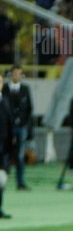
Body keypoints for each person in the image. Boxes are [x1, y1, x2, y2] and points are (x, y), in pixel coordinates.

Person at [3, 65, 33, 190]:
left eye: (19, 74)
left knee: (20, 155)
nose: (17, 76)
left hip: (21, 127)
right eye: (15, 73)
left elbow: (29, 109)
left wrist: (24, 124)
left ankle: (20, 182)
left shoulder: (25, 89)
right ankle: (2, 181)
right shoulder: (4, 89)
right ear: (11, 74)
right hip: (5, 128)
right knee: (4, 154)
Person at [0, 72, 13, 218]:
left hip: (2, 149)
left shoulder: (5, 101)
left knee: (1, 180)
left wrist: (10, 148)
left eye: (1, 81)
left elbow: (9, 126)